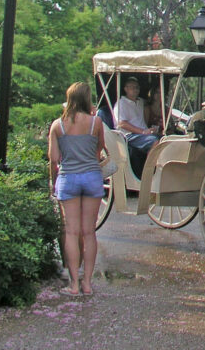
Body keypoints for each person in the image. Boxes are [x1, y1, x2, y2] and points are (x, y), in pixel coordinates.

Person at [48, 82, 105, 297]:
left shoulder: (57, 126)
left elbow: (54, 159)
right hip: (91, 177)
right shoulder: (96, 123)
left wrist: (53, 182)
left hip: (68, 178)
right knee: (89, 232)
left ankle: (73, 285)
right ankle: (88, 283)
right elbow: (99, 149)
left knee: (71, 232)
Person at [114, 76, 160, 177]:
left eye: (137, 87)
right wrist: (142, 132)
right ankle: (148, 174)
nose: (135, 90)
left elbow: (153, 106)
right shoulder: (121, 104)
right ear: (126, 89)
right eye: (132, 87)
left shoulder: (140, 102)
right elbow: (122, 123)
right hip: (129, 136)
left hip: (143, 134)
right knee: (155, 142)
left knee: (165, 139)